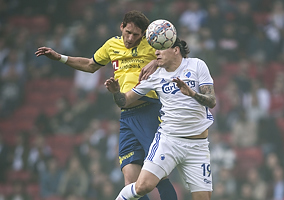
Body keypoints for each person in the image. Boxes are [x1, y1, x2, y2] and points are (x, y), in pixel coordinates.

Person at [35, 10, 177, 200]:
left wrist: (156, 61)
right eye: (128, 32)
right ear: (122, 27)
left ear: (143, 34)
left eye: (136, 35)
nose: (130, 38)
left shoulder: (152, 43)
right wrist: (60, 57)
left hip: (149, 111)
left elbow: (177, 53)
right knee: (131, 182)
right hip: (126, 116)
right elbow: (90, 65)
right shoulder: (112, 45)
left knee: (159, 175)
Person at [105, 38, 216, 200]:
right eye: (155, 49)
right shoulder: (154, 76)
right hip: (169, 141)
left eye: (161, 49)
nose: (156, 52)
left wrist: (191, 93)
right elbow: (125, 100)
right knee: (143, 186)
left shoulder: (197, 65)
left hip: (197, 147)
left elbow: (211, 101)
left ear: (176, 50)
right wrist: (116, 93)